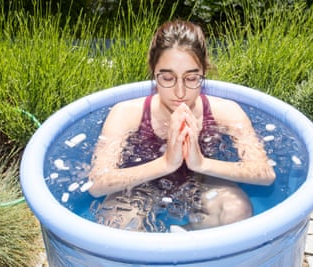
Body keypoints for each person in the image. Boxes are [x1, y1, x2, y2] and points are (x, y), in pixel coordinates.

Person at [88, 19, 275, 232]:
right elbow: (97, 183)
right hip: (139, 188)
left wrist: (201, 163)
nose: (180, 92)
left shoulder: (225, 112)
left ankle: (186, 238)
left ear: (204, 72)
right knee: (118, 222)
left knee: (236, 209)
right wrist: (166, 163)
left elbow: (264, 173)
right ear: (153, 71)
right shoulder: (127, 114)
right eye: (168, 78)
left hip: (201, 183)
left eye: (191, 78)